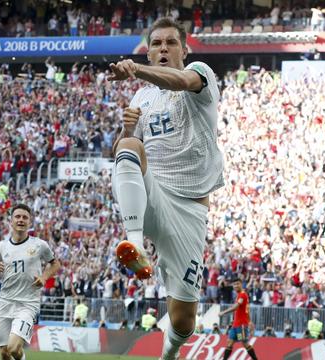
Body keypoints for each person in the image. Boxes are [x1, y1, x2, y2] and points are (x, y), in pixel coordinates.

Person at [108, 17, 224, 360]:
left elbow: (181, 81)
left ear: (184, 50)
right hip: (153, 196)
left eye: (170, 43)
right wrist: (127, 130)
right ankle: (133, 240)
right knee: (129, 148)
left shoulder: (200, 73)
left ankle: (169, 353)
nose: (162, 49)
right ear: (148, 51)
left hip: (190, 209)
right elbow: (126, 152)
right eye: (155, 43)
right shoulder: (141, 99)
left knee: (184, 320)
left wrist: (137, 71)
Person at [0, 204, 60, 360]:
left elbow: (55, 263)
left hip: (27, 303)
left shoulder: (39, 245)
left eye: (25, 217)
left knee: (13, 347)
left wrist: (44, 277)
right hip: (5, 302)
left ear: (30, 222)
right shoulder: (0, 247)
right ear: (11, 221)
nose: (21, 220)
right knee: (5, 352)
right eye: (17, 217)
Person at [218, 278, 259, 360]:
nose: (236, 286)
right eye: (234, 284)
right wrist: (249, 321)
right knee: (230, 342)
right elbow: (247, 309)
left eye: (237, 284)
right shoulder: (239, 295)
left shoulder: (243, 295)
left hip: (241, 325)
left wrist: (223, 312)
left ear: (241, 284)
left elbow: (236, 307)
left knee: (244, 343)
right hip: (235, 325)